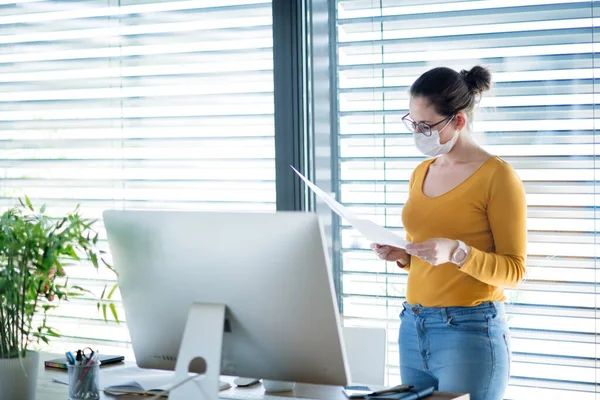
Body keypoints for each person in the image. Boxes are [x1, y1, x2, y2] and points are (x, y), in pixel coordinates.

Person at [370, 65, 526, 400]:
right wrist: (403, 255)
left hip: (469, 329)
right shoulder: (421, 172)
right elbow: (429, 253)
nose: (418, 133)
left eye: (426, 126)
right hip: (413, 327)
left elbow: (514, 271)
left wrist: (459, 251)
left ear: (458, 120)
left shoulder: (497, 177)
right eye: (413, 123)